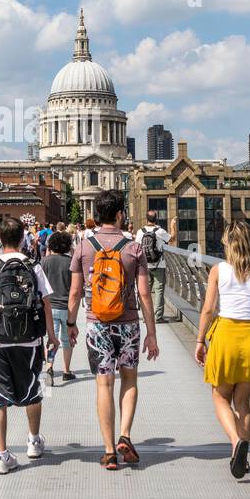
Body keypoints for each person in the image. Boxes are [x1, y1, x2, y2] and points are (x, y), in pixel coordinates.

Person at [67, 190, 158, 470]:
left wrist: (71, 325)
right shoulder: (134, 248)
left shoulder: (83, 246)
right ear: (120, 214)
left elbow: (74, 292)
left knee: (104, 384)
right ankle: (125, 436)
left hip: (97, 323)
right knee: (129, 380)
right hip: (128, 322)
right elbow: (144, 294)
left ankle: (108, 451)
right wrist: (152, 333)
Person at [0, 217, 59, 475]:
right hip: (30, 340)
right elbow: (45, 304)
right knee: (33, 391)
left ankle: (1, 455)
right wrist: (51, 336)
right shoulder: (33, 265)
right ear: (23, 238)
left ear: (1, 238)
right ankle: (33, 441)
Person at [194, 219, 250, 478]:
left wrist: (199, 341)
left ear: (229, 245)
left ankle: (235, 442)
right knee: (242, 403)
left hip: (225, 337)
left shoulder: (218, 270)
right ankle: (242, 459)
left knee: (220, 397)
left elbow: (208, 309)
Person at [41, 230, 77, 383]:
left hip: (49, 306)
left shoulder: (44, 261)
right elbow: (75, 289)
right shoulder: (70, 263)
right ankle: (66, 370)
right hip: (67, 307)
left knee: (52, 338)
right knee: (67, 340)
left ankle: (49, 366)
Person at [138, 210, 172, 322]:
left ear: (146, 218)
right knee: (159, 291)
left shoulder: (140, 232)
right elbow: (172, 239)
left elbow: (136, 248)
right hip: (159, 264)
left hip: (144, 266)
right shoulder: (160, 231)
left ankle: (146, 317)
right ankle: (157, 317)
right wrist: (173, 226)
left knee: (145, 292)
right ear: (156, 219)